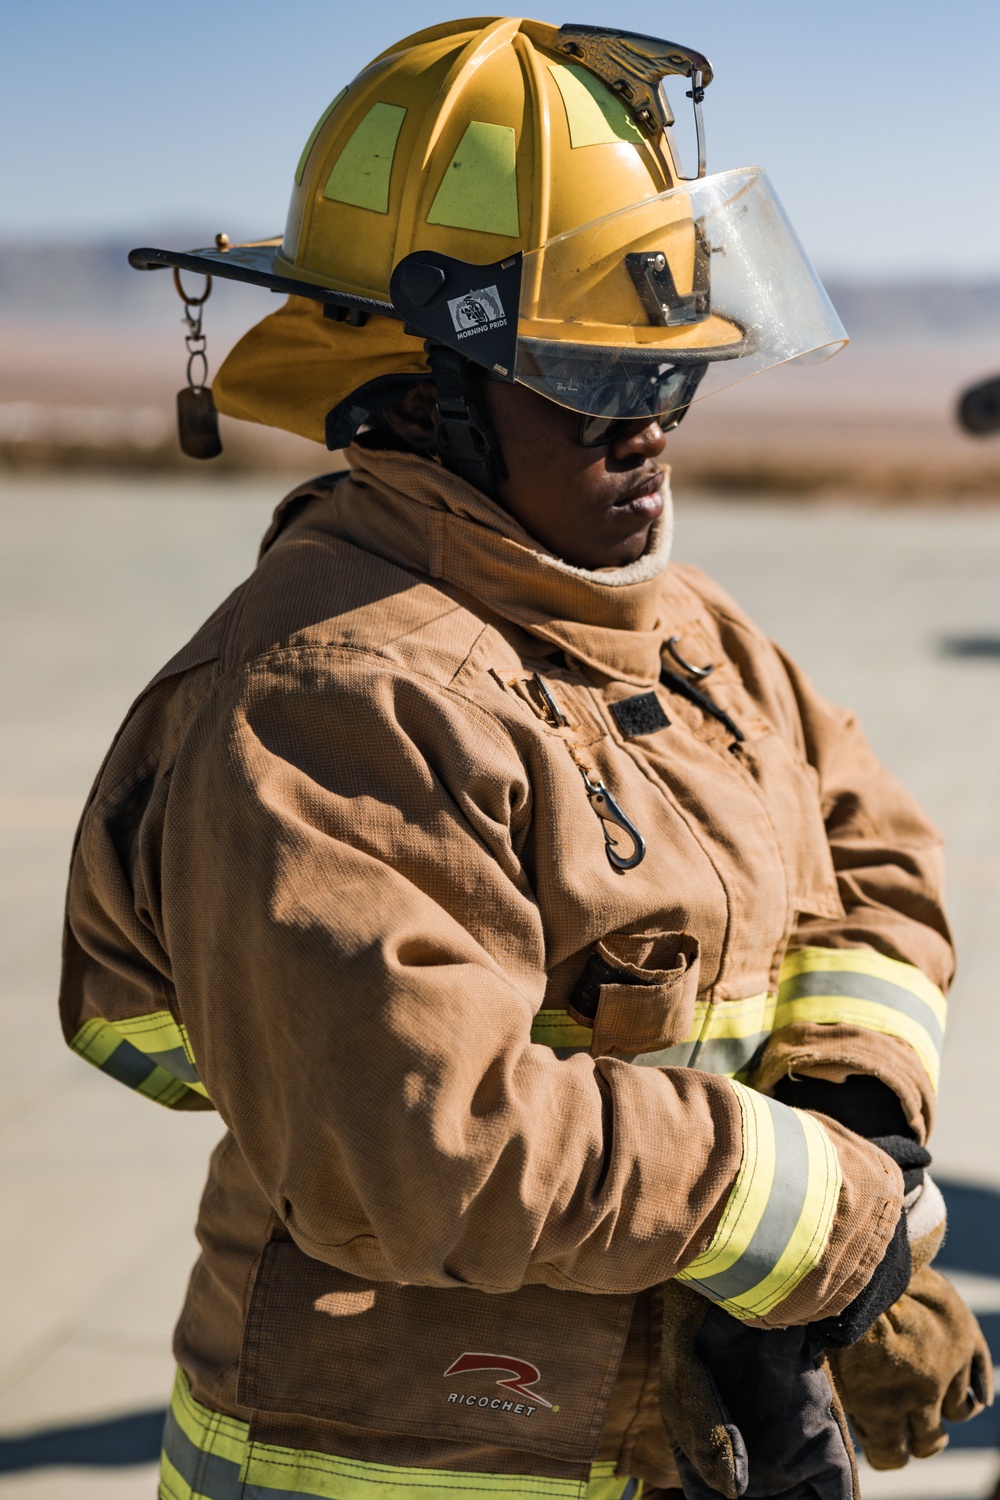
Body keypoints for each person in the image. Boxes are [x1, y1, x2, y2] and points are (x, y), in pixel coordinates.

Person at [60, 18, 992, 1500]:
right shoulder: (328, 702)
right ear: (420, 396)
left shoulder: (688, 634)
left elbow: (871, 865)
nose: (655, 433)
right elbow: (422, 1145)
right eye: (598, 381)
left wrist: (857, 1132)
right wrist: (837, 1240)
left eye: (671, 376)